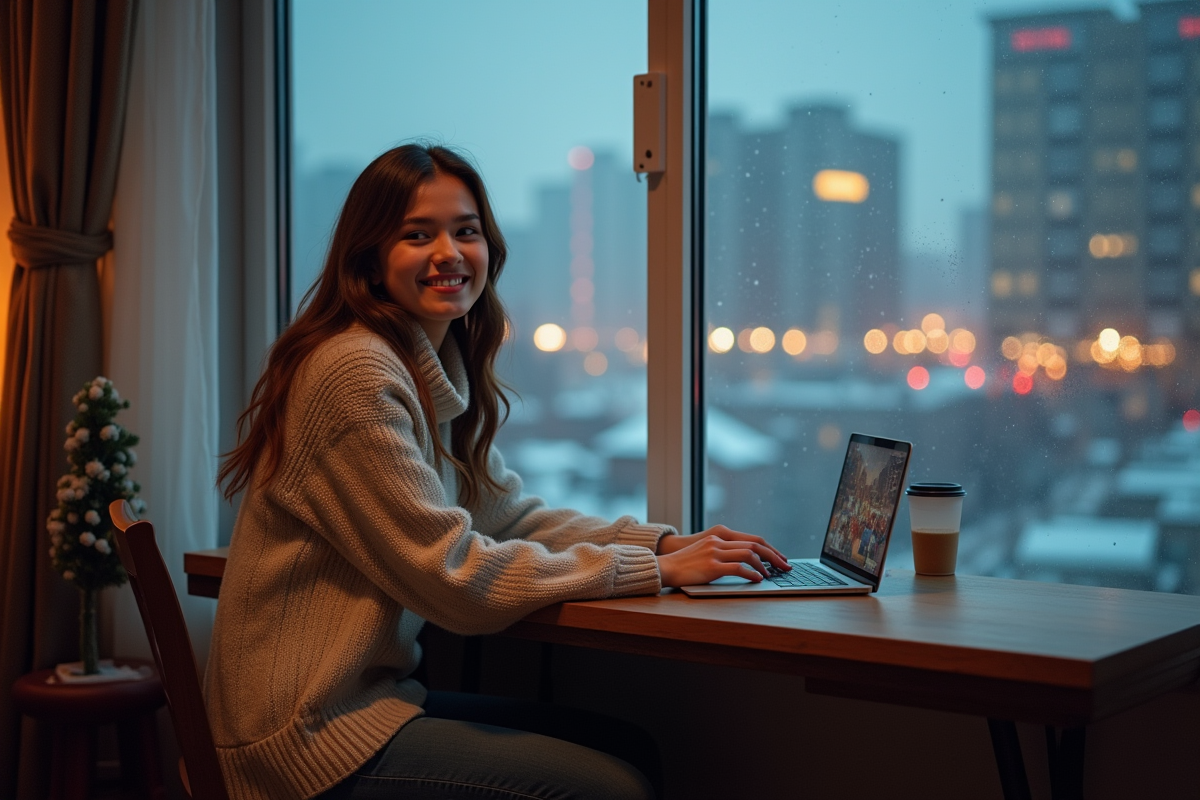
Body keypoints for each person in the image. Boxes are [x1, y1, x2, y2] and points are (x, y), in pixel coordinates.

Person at [211, 143, 790, 800]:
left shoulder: (427, 365)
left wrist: (660, 543)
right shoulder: (356, 376)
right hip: (305, 735)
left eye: (466, 231)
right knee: (612, 788)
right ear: (370, 258)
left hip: (372, 703)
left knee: (634, 748)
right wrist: (655, 573)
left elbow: (506, 515)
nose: (450, 254)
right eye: (416, 235)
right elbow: (454, 580)